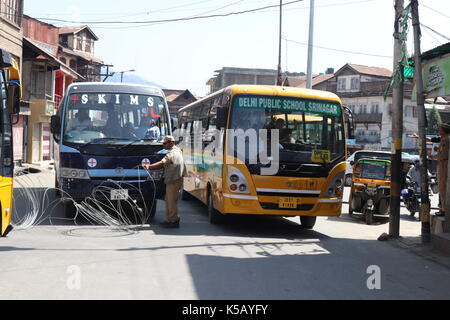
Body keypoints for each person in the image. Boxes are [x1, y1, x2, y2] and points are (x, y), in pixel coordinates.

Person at [143, 136, 186, 228]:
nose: (163, 145)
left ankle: (173, 221)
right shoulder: (178, 150)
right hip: (176, 179)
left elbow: (162, 162)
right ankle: (170, 219)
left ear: (171, 143)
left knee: (171, 201)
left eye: (164, 143)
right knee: (169, 199)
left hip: (173, 180)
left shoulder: (171, 153)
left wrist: (149, 167)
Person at [410, 123, 450, 216]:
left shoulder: (446, 140)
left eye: (440, 130)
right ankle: (442, 208)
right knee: (441, 187)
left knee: (443, 187)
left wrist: (434, 156)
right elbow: (432, 139)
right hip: (442, 164)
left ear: (444, 131)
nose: (439, 132)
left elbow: (444, 155)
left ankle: (443, 210)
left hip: (444, 165)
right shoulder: (444, 139)